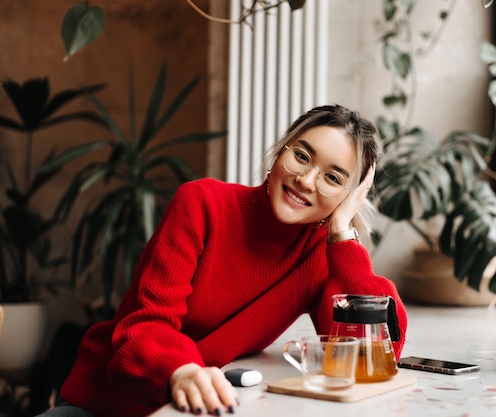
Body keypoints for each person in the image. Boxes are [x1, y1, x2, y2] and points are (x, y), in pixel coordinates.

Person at [36, 104, 408, 417]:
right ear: (281, 151)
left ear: (349, 195)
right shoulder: (202, 204)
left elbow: (373, 355)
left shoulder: (321, 256)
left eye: (332, 177)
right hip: (110, 403)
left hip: (195, 408)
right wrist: (180, 371)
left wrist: (343, 233)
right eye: (302, 156)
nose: (307, 180)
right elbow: (146, 325)